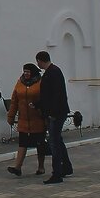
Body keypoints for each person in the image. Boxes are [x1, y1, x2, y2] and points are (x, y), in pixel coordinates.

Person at [36, 50, 74, 184]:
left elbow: (57, 94)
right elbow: (47, 95)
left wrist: (52, 112)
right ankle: (67, 167)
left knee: (54, 143)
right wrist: (38, 104)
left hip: (56, 113)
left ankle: (57, 173)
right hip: (55, 112)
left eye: (38, 62)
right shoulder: (52, 72)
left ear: (40, 61)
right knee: (57, 140)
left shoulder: (53, 72)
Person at [5, 63, 46, 177]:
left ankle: (41, 167)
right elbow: (14, 101)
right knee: (22, 143)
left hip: (37, 119)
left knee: (40, 144)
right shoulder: (20, 82)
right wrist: (11, 116)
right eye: (24, 71)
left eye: (28, 71)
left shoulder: (40, 82)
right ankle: (17, 167)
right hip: (23, 119)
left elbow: (45, 99)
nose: (26, 73)